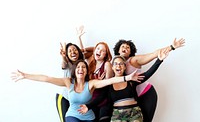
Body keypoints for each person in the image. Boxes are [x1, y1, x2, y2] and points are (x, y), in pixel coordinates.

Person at [11, 59, 144, 122]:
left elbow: (109, 81)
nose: (81, 69)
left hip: (89, 117)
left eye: (84, 67)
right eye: (78, 67)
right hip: (73, 116)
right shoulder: (68, 82)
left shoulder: (91, 84)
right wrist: (26, 76)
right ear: (75, 70)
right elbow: (46, 78)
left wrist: (127, 78)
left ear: (86, 71)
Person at [77, 47, 169, 122]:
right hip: (118, 115)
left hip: (134, 113)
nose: (118, 66)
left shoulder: (131, 79)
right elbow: (100, 98)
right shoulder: (109, 84)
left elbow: (148, 74)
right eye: (116, 64)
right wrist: (88, 106)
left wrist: (159, 61)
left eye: (121, 64)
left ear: (125, 67)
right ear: (112, 67)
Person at [113, 38, 185, 122]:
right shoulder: (115, 64)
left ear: (130, 52)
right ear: (118, 50)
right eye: (123, 46)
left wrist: (172, 47)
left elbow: (154, 54)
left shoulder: (134, 60)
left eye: (128, 47)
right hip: (134, 97)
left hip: (146, 93)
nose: (125, 48)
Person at [78, 30, 114, 122]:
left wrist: (100, 82)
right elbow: (81, 53)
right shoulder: (90, 63)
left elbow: (108, 85)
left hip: (103, 101)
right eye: (98, 49)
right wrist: (79, 37)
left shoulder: (107, 64)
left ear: (106, 54)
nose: (99, 51)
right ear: (94, 51)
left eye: (103, 51)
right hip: (91, 101)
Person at [56, 41, 84, 122]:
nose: (73, 52)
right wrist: (63, 57)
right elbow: (64, 63)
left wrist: (79, 38)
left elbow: (85, 53)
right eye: (70, 51)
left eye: (74, 50)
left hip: (75, 100)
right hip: (64, 98)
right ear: (67, 55)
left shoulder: (82, 65)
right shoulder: (67, 64)